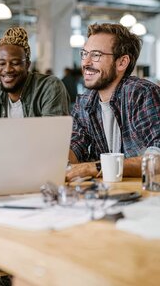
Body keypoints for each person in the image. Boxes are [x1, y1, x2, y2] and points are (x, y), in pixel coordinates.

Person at [67, 22, 160, 181]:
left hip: (146, 195)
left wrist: (94, 167)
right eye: (84, 53)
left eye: (96, 55)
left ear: (122, 62)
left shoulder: (140, 94)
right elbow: (75, 147)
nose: (86, 62)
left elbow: (157, 161)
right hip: (110, 194)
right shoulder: (85, 102)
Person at [0, 26, 69, 118]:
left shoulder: (49, 87)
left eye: (15, 63)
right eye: (1, 63)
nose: (7, 69)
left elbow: (52, 131)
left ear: (27, 65)